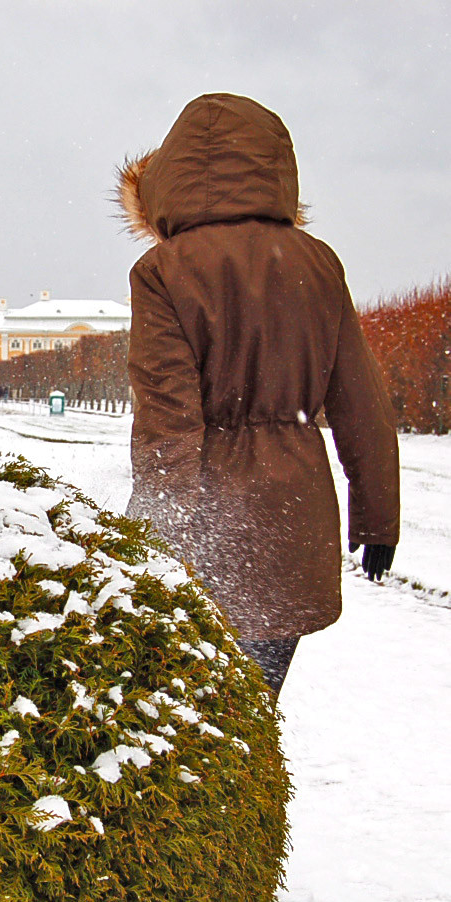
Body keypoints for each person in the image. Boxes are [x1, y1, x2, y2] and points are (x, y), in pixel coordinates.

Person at [116, 93, 400, 697]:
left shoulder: (163, 270)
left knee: (192, 733)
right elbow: (363, 405)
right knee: (255, 719)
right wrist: (377, 518)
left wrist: (149, 549)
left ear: (171, 178)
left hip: (211, 536)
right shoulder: (319, 263)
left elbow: (168, 424)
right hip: (297, 523)